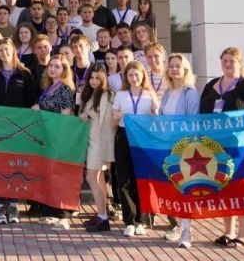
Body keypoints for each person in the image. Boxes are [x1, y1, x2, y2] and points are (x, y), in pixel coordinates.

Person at [201, 47, 244, 249]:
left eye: (232, 61)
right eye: (224, 60)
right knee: (224, 188)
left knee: (243, 189)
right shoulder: (211, 86)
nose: (227, 64)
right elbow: (201, 116)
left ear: (240, 63)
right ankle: (228, 231)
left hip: (242, 150)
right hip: (216, 148)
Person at [0, 38, 38, 225]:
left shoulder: (25, 74)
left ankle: (13, 206)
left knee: (15, 168)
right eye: (0, 50)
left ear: (14, 51)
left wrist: (35, 107)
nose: (4, 53)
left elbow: (32, 100)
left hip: (19, 131)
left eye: (6, 49)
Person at [111, 60, 159, 238]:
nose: (133, 78)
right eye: (130, 75)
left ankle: (142, 219)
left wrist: (155, 111)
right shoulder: (121, 94)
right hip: (124, 136)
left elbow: (156, 117)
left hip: (143, 139)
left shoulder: (149, 94)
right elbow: (113, 118)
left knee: (142, 179)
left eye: (136, 75)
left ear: (143, 75)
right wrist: (119, 115)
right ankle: (130, 221)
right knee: (124, 179)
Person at [159, 53, 201, 249]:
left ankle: (186, 232)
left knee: (185, 188)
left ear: (185, 70)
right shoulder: (168, 92)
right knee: (173, 188)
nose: (174, 69)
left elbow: (193, 121)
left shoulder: (190, 93)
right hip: (168, 147)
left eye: (178, 66)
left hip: (185, 148)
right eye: (171, 66)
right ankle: (178, 225)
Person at [33, 53, 77, 230]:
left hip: (59, 138)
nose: (52, 69)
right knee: (49, 175)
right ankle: (51, 212)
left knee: (61, 176)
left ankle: (64, 216)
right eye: (51, 66)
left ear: (64, 70)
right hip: (46, 138)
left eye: (57, 66)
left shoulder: (65, 89)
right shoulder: (48, 87)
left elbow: (65, 117)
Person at [79, 64, 116, 233]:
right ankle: (102, 215)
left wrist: (87, 114)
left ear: (103, 79)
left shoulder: (108, 95)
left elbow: (107, 122)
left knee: (91, 177)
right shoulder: (89, 94)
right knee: (99, 178)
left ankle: (103, 216)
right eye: (91, 78)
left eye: (97, 78)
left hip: (101, 143)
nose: (94, 81)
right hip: (91, 140)